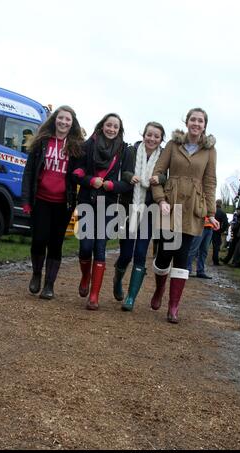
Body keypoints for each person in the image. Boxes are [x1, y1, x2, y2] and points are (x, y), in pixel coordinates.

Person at [150, 107, 219, 324]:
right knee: (164, 255)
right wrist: (160, 199)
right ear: (187, 122)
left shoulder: (210, 150)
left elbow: (210, 182)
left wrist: (210, 213)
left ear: (204, 125)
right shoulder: (173, 144)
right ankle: (160, 289)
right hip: (170, 205)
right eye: (193, 120)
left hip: (193, 208)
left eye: (200, 121)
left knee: (182, 255)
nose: (196, 124)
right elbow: (158, 174)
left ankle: (173, 307)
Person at [73, 113, 134, 310]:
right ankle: (85, 277)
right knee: (85, 246)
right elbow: (78, 171)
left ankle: (94, 296)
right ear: (102, 126)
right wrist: (90, 180)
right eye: (109, 125)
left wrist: (111, 185)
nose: (111, 129)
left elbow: (127, 183)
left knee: (100, 247)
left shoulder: (123, 150)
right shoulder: (89, 145)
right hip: (87, 201)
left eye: (116, 127)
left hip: (108, 205)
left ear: (119, 130)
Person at [22, 105, 84, 299]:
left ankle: (49, 285)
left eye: (68, 120)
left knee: (56, 244)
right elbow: (29, 172)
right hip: (40, 199)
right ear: (54, 119)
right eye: (61, 118)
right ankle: (36, 275)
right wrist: (26, 201)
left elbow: (81, 169)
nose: (64, 122)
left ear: (72, 124)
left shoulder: (76, 147)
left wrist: (80, 173)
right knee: (39, 239)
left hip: (63, 203)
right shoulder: (41, 142)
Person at [113, 122, 166, 311]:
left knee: (141, 253)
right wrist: (130, 177)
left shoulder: (164, 157)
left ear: (161, 139)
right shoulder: (131, 151)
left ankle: (131, 298)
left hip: (150, 210)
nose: (152, 139)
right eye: (149, 135)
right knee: (126, 253)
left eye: (156, 136)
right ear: (143, 135)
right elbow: (123, 171)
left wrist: (160, 179)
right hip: (129, 208)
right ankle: (117, 280)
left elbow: (167, 177)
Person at [211, 199, 228, 265]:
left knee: (203, 246)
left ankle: (196, 258)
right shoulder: (222, 213)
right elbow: (226, 223)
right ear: (221, 204)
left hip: (208, 229)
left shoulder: (211, 211)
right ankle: (215, 261)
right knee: (216, 247)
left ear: (215, 203)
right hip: (217, 231)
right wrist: (221, 230)